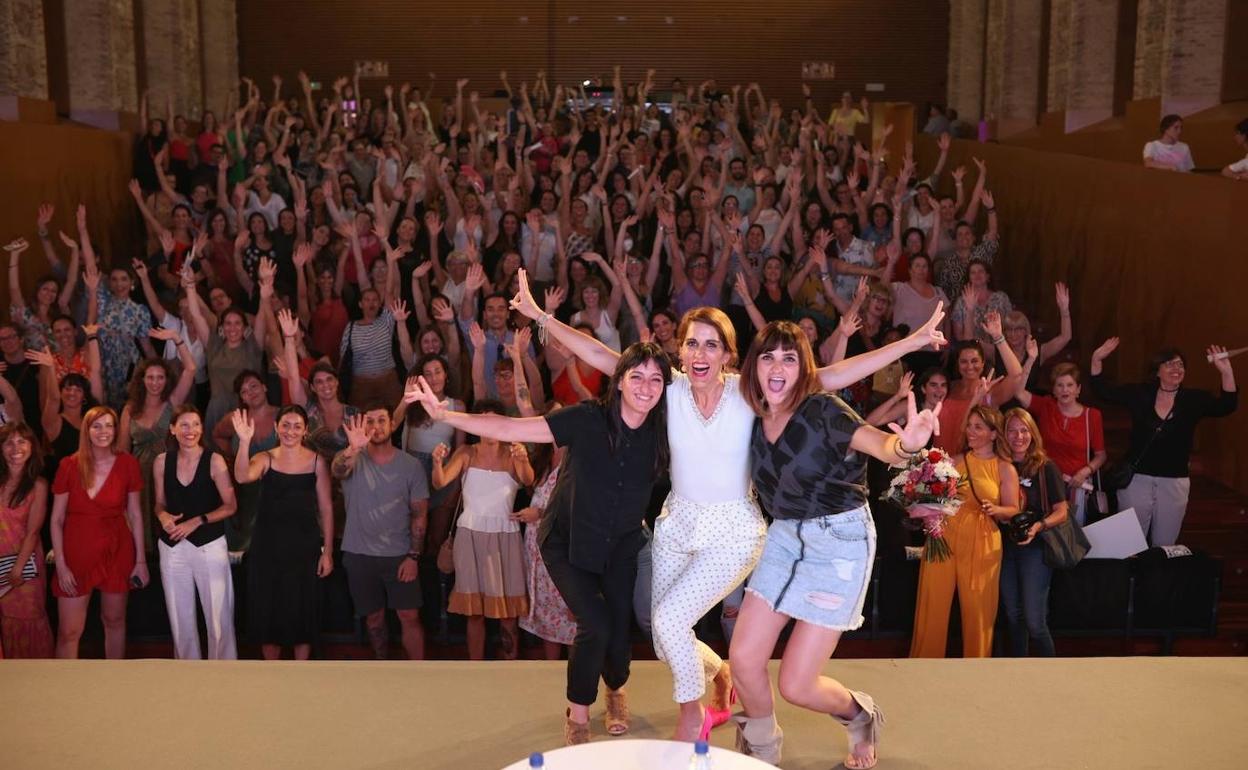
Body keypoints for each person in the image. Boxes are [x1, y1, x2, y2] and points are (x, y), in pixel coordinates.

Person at [509, 269, 947, 741]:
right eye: (692, 344)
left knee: (672, 622)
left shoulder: (747, 393)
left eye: (711, 345)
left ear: (728, 355)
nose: (700, 353)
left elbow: (830, 376)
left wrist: (909, 344)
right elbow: (600, 354)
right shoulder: (667, 390)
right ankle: (719, 672)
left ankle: (691, 714)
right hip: (678, 523)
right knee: (662, 635)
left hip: (734, 530)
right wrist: (541, 317)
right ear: (680, 351)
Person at [404, 341, 670, 745]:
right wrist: (444, 413)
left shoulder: (665, 428)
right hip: (567, 541)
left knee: (617, 631)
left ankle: (616, 689)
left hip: (621, 545)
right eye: (637, 376)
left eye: (656, 380)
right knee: (594, 624)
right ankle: (578, 713)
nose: (646, 388)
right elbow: (510, 428)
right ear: (619, 382)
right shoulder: (587, 419)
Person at [729, 321, 942, 768]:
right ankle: (763, 750)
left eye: (790, 357)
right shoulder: (748, 410)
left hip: (840, 542)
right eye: (768, 356)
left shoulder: (823, 409)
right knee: (744, 658)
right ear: (753, 365)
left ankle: (860, 716)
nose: (777, 366)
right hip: (784, 536)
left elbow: (881, 446)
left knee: (797, 685)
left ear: (803, 367)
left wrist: (907, 445)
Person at [1090, 340, 1237, 546]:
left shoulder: (1192, 399)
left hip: (1174, 482)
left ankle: (1156, 578)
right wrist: (1097, 359)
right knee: (1129, 543)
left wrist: (1226, 370)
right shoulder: (1140, 394)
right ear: (1157, 371)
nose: (1176, 369)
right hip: (1136, 479)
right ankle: (1131, 578)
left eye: (1180, 365)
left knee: (1164, 545)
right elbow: (1103, 391)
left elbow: (1227, 405)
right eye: (1169, 364)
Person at [909, 403, 1020, 658]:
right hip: (944, 535)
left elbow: (1013, 509)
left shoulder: (1004, 467)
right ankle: (922, 664)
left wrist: (997, 510)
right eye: (969, 426)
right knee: (932, 602)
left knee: (978, 609)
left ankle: (977, 668)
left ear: (993, 434)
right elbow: (932, 495)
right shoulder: (955, 461)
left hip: (982, 540)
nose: (971, 431)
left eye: (978, 427)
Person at [431, 400, 534, 660]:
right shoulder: (466, 452)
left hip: (506, 536)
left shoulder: (513, 453)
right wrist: (436, 463)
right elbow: (441, 481)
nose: (488, 428)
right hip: (470, 535)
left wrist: (522, 458)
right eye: (483, 422)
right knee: (474, 611)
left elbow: (528, 480)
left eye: (493, 422)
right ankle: (475, 668)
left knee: (509, 612)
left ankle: (510, 667)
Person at [231, 405, 333, 660]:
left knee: (303, 611)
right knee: (269, 611)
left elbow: (327, 509)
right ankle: (272, 676)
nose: (291, 431)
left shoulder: (316, 461)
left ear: (305, 430)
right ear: (276, 427)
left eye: (297, 426)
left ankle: (301, 674)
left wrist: (327, 552)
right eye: (285, 425)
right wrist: (244, 443)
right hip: (267, 549)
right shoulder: (265, 457)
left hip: (304, 549)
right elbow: (242, 476)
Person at [49, 406, 149, 659]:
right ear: (86, 430)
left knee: (114, 621)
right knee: (69, 631)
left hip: (118, 550)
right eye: (96, 426)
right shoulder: (69, 465)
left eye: (108, 426)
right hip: (77, 553)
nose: (103, 432)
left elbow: (136, 515)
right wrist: (60, 564)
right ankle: (63, 690)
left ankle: (113, 688)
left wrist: (140, 561)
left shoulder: (127, 463)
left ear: (116, 430)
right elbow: (57, 518)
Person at [332, 407, 429, 660]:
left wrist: (414, 557)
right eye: (370, 421)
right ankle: (382, 667)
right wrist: (352, 448)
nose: (376, 426)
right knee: (373, 618)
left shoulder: (411, 465)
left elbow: (420, 514)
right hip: (359, 554)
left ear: (392, 424)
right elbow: (338, 471)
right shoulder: (353, 457)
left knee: (409, 616)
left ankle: (420, 675)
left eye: (382, 420)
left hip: (399, 555)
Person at [152, 405, 238, 659]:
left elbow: (231, 505)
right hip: (172, 547)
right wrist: (162, 515)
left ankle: (223, 677)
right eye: (184, 425)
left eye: (196, 425)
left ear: (202, 428)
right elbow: (159, 503)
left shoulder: (214, 460)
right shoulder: (161, 462)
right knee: (180, 620)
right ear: (173, 429)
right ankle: (187, 678)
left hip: (209, 545)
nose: (190, 431)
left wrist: (198, 520)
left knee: (218, 618)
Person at [119, 333, 198, 552]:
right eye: (150, 377)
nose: (155, 382)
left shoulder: (172, 401)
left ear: (167, 380)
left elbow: (190, 369)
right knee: (144, 528)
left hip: (171, 471)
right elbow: (122, 450)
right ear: (142, 380)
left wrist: (176, 339)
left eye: (160, 377)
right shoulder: (129, 409)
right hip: (140, 473)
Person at [1000, 408, 1067, 658]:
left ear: (1033, 433)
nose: (1018, 436)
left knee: (1034, 621)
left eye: (1024, 430)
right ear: (1003, 435)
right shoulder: (999, 465)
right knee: (1012, 615)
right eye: (1012, 430)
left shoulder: (1044, 466)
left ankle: (1051, 675)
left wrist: (1040, 526)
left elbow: (1062, 511)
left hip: (1035, 548)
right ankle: (1019, 673)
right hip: (1004, 547)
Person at [1012, 359, 1106, 524]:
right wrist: (1031, 359)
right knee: (1048, 533)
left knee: (1073, 536)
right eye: (1060, 385)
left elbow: (1101, 455)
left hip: (1076, 486)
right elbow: (1019, 392)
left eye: (1070, 385)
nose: (1065, 390)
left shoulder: (1092, 415)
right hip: (1045, 484)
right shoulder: (1046, 406)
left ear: (1078, 389)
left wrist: (1085, 471)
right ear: (1053, 390)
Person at [0, 422, 54, 658]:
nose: (15, 448)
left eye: (22, 441)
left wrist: (17, 570)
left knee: (28, 618)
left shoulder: (38, 485)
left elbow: (33, 532)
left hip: (24, 566)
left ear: (32, 446)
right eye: (9, 442)